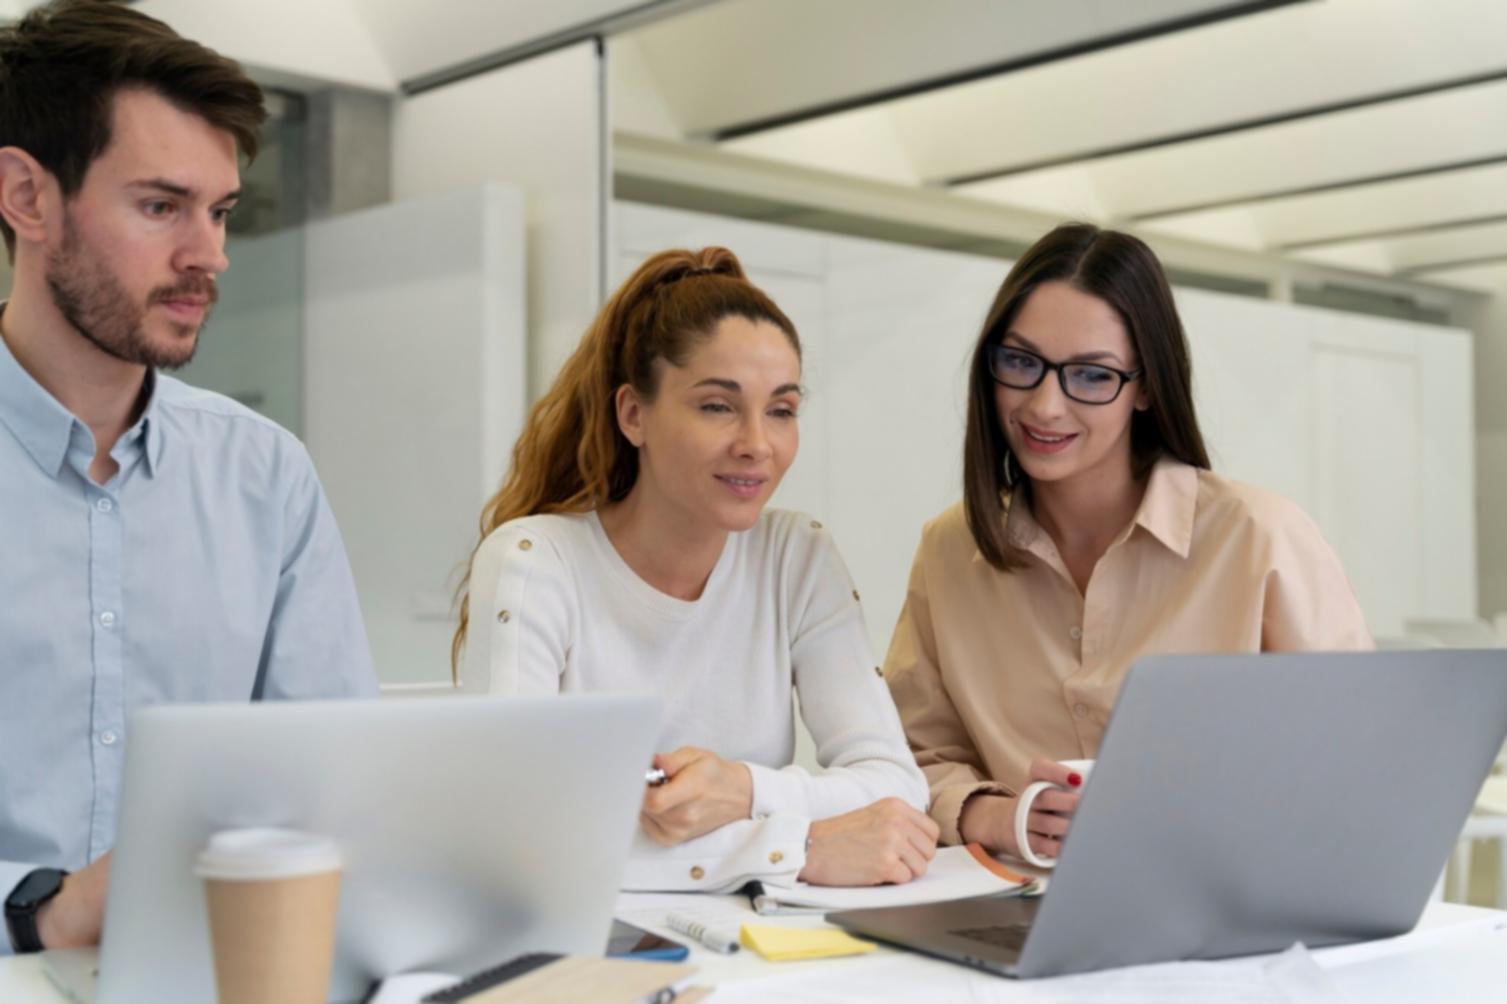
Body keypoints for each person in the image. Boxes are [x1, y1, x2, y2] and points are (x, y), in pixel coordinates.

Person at [0, 0, 376, 956]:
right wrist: (38, 909)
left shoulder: (267, 477)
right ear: (28, 197)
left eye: (220, 212)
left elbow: (334, 788)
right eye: (161, 206)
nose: (208, 256)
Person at [885, 223, 1372, 864]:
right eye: (1021, 363)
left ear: (1145, 386)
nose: (1045, 406)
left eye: (1091, 375)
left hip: (1226, 893)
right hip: (1012, 900)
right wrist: (1000, 816)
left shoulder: (1261, 539)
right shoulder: (949, 550)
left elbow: (1356, 763)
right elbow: (909, 755)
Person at [454, 247, 936, 892]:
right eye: (717, 406)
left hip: (756, 941)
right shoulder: (534, 562)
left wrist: (743, 790)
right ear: (634, 415)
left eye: (782, 410)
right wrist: (795, 849)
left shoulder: (797, 556)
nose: (757, 444)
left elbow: (896, 785)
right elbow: (512, 829)